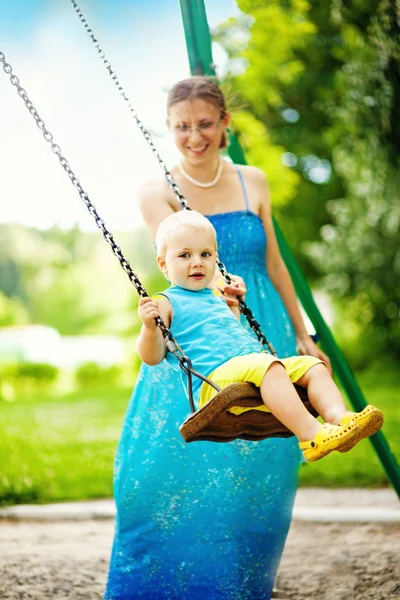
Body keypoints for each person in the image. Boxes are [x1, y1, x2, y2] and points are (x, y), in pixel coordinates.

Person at [104, 76, 335, 599]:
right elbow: (191, 259)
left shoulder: (254, 181)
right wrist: (223, 286)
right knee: (160, 475)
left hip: (261, 326)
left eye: (205, 123)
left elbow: (274, 262)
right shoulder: (156, 190)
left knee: (260, 472)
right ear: (169, 129)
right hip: (197, 334)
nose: (194, 136)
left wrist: (303, 331)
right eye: (182, 126)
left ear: (225, 123)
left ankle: (243, 586)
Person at [137, 210, 383, 462]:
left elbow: (229, 334)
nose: (197, 262)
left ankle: (339, 419)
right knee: (267, 366)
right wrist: (149, 327)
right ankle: (311, 436)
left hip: (249, 366)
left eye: (206, 254)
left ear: (215, 259)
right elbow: (153, 357)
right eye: (185, 255)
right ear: (164, 264)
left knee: (312, 366)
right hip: (213, 380)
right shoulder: (165, 303)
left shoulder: (215, 296)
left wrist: (233, 306)